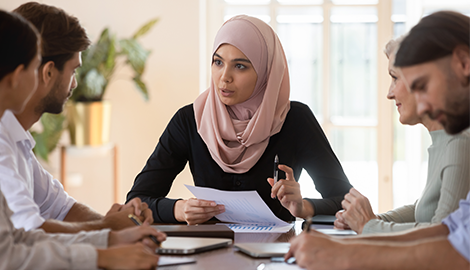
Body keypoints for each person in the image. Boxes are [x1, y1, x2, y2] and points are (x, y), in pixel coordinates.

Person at [285, 10, 470, 269]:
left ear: (463, 63)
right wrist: (347, 242)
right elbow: (447, 232)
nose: (423, 104)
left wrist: (348, 250)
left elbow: (456, 253)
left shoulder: (461, 140)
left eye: (423, 85)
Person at [127, 15, 352, 225]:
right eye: (218, 62)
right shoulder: (190, 120)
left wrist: (304, 207)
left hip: (278, 257)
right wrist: (178, 209)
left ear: (266, 72)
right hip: (208, 256)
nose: (224, 77)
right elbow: (135, 202)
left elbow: (346, 201)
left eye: (240, 66)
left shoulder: (296, 120)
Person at [0, 9, 165, 270]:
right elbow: (5, 255)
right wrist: (105, 248)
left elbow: (24, 235)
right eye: (34, 64)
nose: (74, 84)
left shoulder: (14, 139)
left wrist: (113, 235)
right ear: (19, 76)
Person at [333, 37, 470, 234]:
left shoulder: (460, 142)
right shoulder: (443, 140)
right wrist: (371, 220)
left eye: (395, 78)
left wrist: (369, 225)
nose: (390, 93)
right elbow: (422, 210)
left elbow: (442, 234)